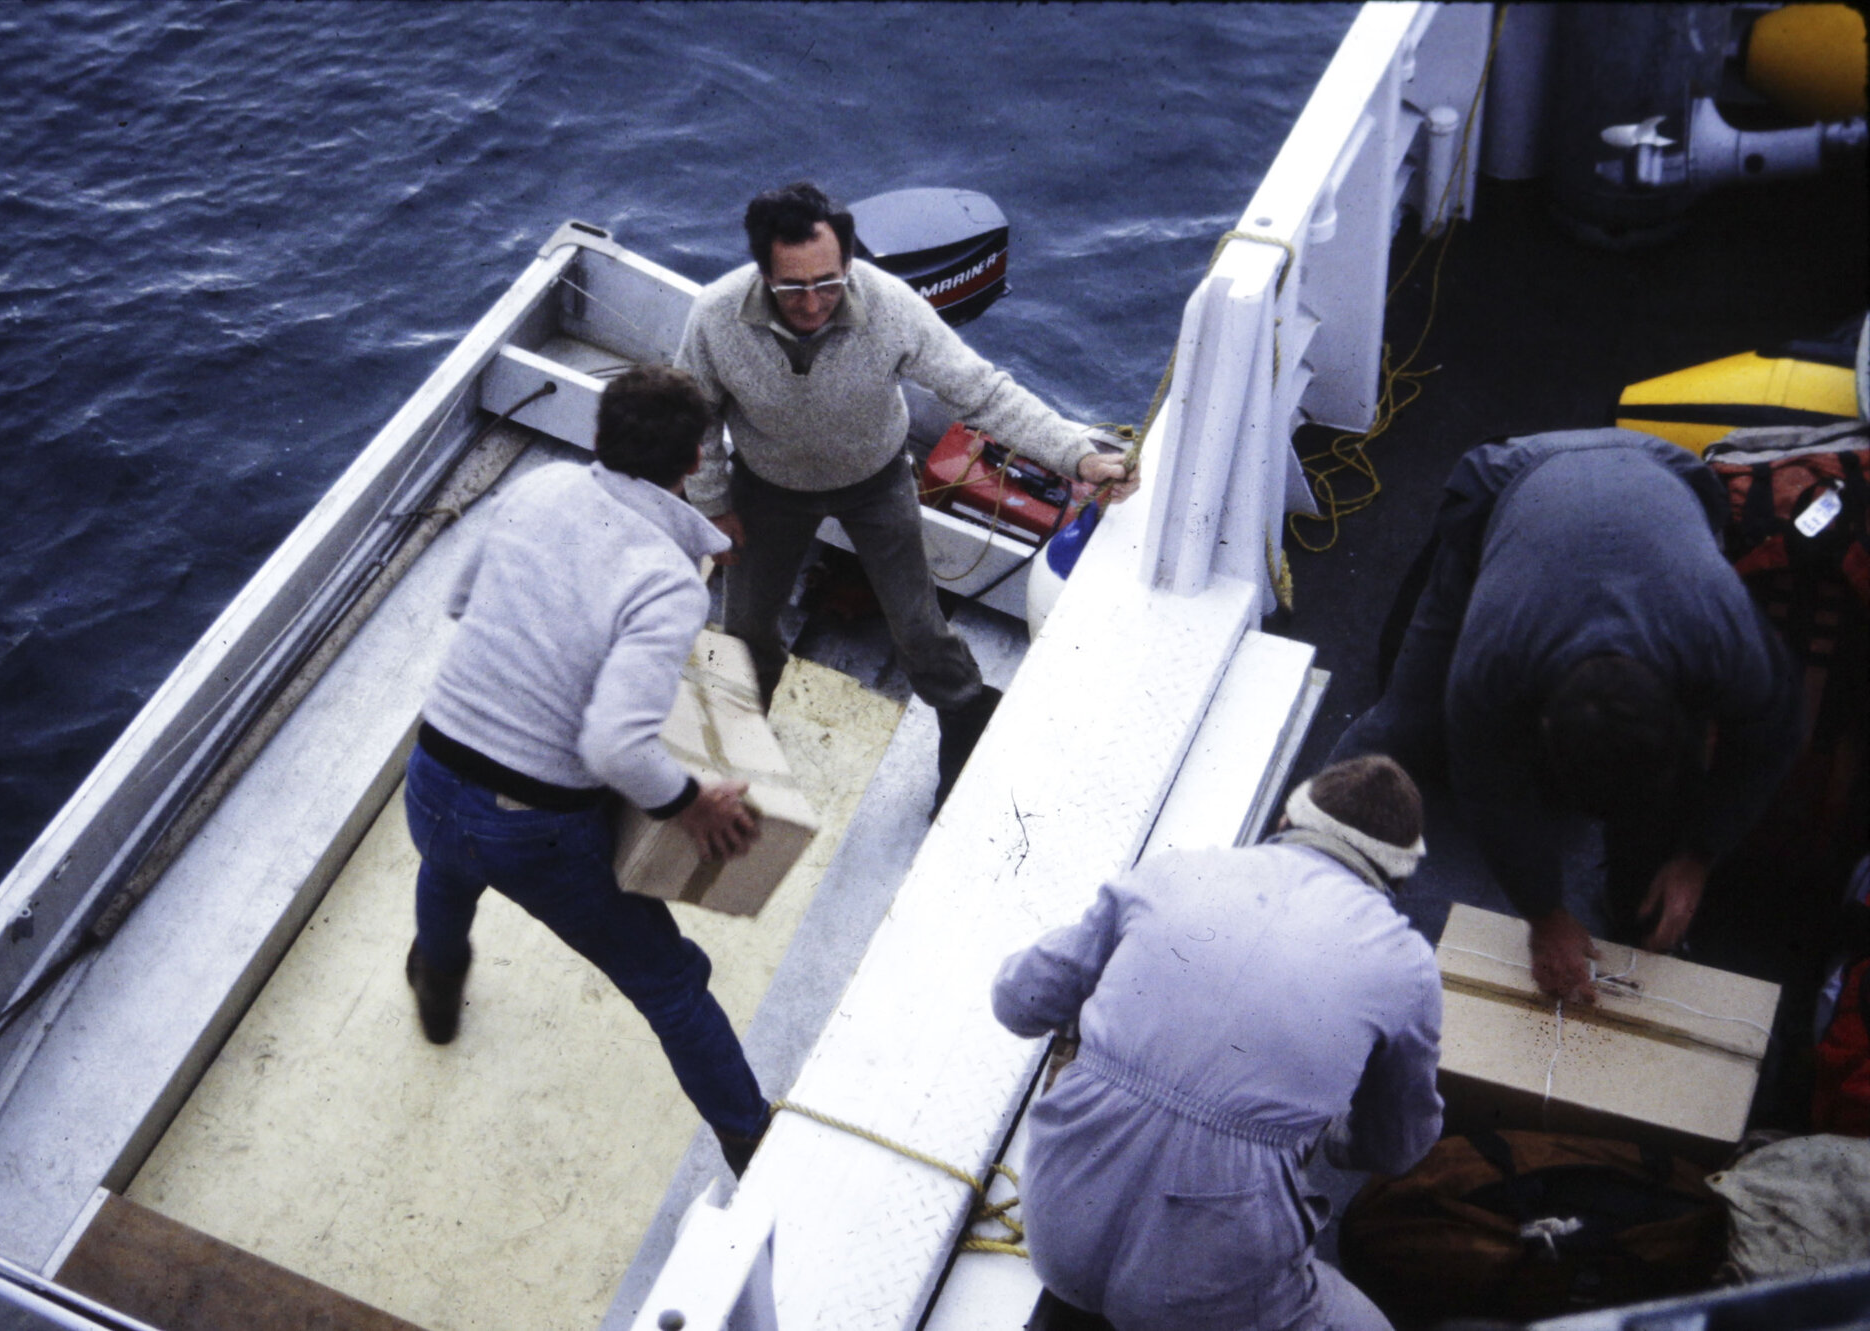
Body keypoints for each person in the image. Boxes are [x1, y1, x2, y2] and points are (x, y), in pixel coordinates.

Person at [401, 363, 773, 1173]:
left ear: (599, 436)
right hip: (533, 833)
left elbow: (460, 603)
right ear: (691, 466)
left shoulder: (538, 489)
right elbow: (615, 747)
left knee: (447, 865)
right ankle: (753, 1142)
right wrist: (690, 805)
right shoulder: (670, 581)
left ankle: (436, 987)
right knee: (672, 983)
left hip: (429, 777)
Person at [675, 181, 1138, 810]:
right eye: (793, 288)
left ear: (848, 263)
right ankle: (738, 743)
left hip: (877, 483)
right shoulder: (713, 317)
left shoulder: (891, 305)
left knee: (919, 629)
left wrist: (1079, 456)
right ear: (761, 270)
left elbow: (983, 392)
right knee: (743, 629)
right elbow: (694, 415)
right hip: (767, 489)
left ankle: (966, 714)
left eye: (830, 282)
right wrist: (712, 505)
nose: (814, 303)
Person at [1332, 428, 1801, 1003]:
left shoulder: (1726, 638)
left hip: (1661, 472)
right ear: (1539, 725)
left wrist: (1699, 854)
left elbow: (1772, 737)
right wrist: (1544, 914)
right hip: (1512, 480)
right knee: (1404, 722)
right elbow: (1489, 787)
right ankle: (1315, 864)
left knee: (1659, 827)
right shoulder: (1492, 659)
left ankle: (1635, 909)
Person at [993, 755, 1443, 1331]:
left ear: (1285, 822)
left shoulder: (1171, 872)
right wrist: (1327, 1132)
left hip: (1057, 1235)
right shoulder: (1407, 965)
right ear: (1397, 877)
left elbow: (1017, 1002)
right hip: (1208, 1296)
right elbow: (1396, 1148)